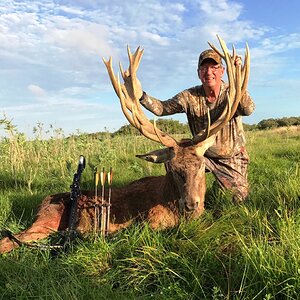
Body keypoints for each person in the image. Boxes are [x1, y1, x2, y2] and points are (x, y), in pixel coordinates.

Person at [138, 49, 255, 203]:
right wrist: (140, 95)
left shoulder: (231, 93)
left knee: (237, 200)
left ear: (222, 71)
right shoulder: (189, 96)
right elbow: (162, 108)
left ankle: (214, 188)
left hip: (230, 157)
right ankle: (179, 198)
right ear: (199, 73)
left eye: (214, 67)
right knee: (174, 157)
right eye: (204, 68)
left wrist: (237, 76)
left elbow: (248, 109)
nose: (209, 72)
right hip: (201, 154)